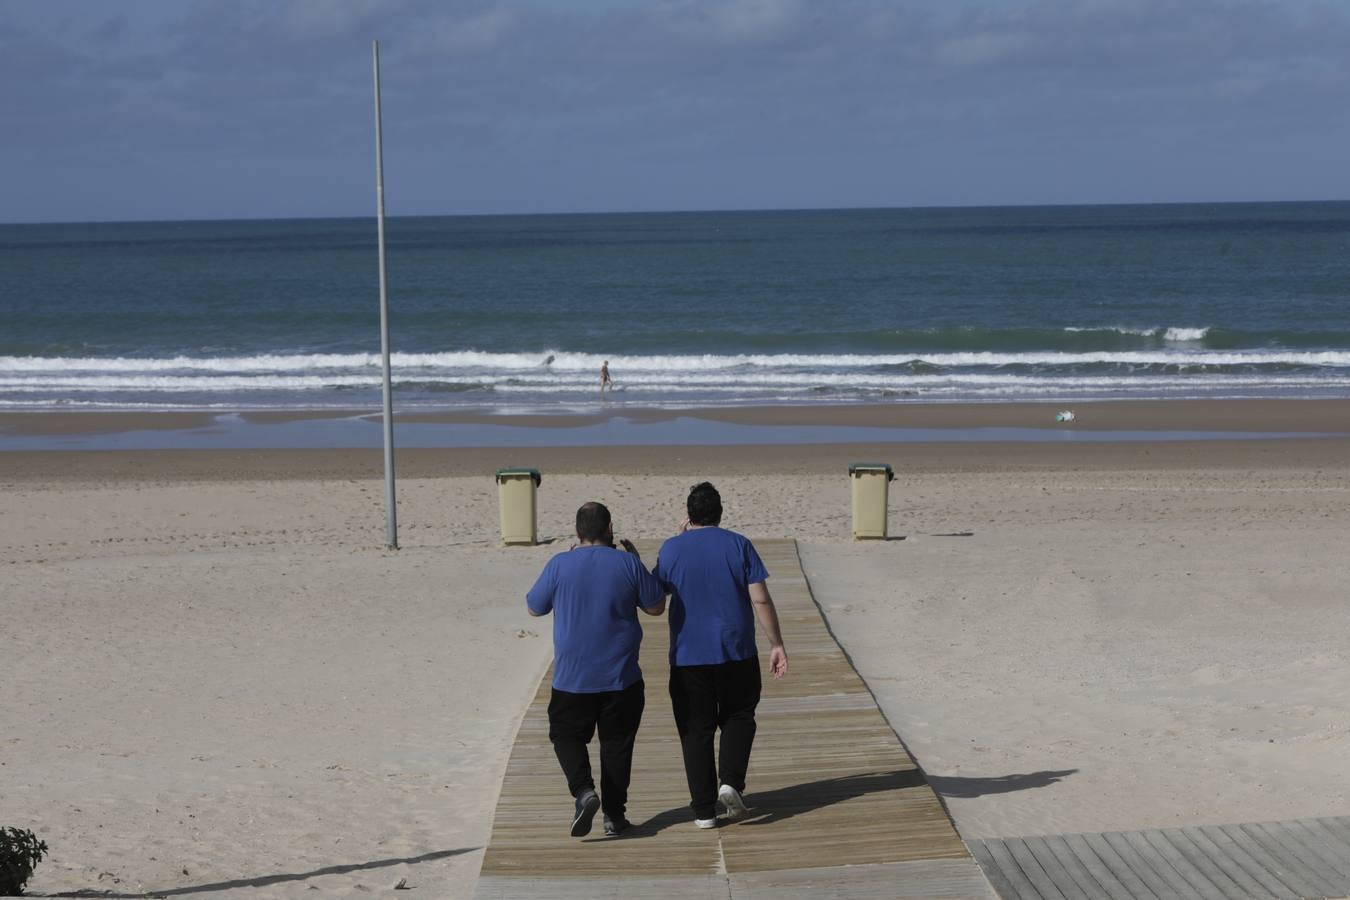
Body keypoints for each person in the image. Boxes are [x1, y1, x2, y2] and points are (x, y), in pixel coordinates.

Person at [652, 482, 788, 829]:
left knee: (695, 730)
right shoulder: (738, 544)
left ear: (689, 514)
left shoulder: (671, 549)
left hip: (687, 658)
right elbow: (760, 598)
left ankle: (703, 812)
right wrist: (776, 643)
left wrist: (679, 541)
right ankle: (730, 783)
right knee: (738, 717)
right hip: (736, 651)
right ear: (720, 513)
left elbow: (656, 600)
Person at [527, 501, 665, 837]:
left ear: (577, 532)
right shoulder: (627, 564)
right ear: (610, 530)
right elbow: (656, 607)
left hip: (572, 678)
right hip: (621, 677)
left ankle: (584, 790)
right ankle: (614, 817)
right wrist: (637, 562)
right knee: (616, 745)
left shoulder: (560, 564)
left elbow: (534, 607)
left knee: (565, 734)